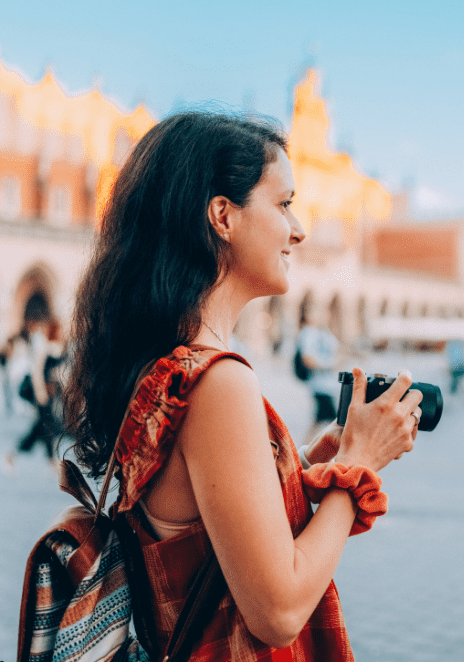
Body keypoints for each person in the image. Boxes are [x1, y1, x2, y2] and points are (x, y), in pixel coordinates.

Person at [63, 112, 423, 660]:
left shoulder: (170, 368)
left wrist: (299, 467)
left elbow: (201, 524)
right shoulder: (218, 382)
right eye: (283, 204)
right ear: (222, 216)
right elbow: (278, 611)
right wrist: (359, 463)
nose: (298, 229)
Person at [5, 316, 64, 469]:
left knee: (41, 426)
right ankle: (51, 460)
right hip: (42, 394)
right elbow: (37, 372)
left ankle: (14, 454)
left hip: (51, 394)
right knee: (46, 425)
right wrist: (40, 393)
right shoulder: (45, 348)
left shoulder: (56, 347)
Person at [297, 307, 341, 439]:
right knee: (337, 424)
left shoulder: (325, 333)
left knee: (322, 422)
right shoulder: (308, 333)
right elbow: (307, 360)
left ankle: (304, 448)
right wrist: (331, 364)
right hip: (320, 386)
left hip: (329, 387)